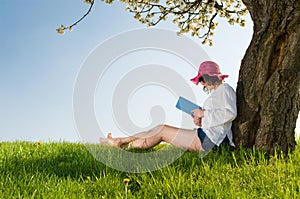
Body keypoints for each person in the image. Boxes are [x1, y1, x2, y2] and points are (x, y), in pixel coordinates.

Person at [99, 61, 237, 152]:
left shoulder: (225, 89)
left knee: (161, 129)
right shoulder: (216, 94)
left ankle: (121, 141)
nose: (202, 84)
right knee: (160, 131)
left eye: (202, 80)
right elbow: (216, 118)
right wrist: (200, 119)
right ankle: (122, 146)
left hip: (214, 141)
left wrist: (203, 113)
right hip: (207, 136)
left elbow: (230, 114)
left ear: (209, 77)